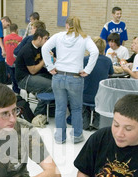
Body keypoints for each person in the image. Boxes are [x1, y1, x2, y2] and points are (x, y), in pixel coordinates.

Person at [42, 16, 98, 144]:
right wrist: (88, 70)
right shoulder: (84, 38)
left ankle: (60, 137)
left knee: (60, 108)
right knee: (76, 108)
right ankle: (77, 136)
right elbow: (94, 52)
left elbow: (45, 48)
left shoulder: (58, 36)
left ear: (67, 25)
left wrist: (50, 66)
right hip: (75, 77)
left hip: (58, 76)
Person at [15, 28, 52, 116]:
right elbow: (33, 70)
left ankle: (49, 109)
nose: (47, 41)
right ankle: (38, 112)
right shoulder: (28, 50)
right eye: (45, 39)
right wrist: (44, 60)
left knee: (55, 79)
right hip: (24, 79)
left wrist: (51, 58)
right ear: (39, 38)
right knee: (53, 85)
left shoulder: (39, 48)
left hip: (35, 74)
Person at [82, 37, 114, 130]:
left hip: (85, 96)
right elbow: (111, 73)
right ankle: (97, 123)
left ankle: (85, 122)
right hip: (100, 97)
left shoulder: (85, 59)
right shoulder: (108, 61)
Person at [4, 23, 22, 94]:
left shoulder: (5, 38)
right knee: (17, 76)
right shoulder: (20, 38)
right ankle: (17, 90)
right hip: (16, 61)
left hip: (9, 60)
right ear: (17, 29)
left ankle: (14, 89)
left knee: (12, 76)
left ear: (9, 30)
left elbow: (5, 49)